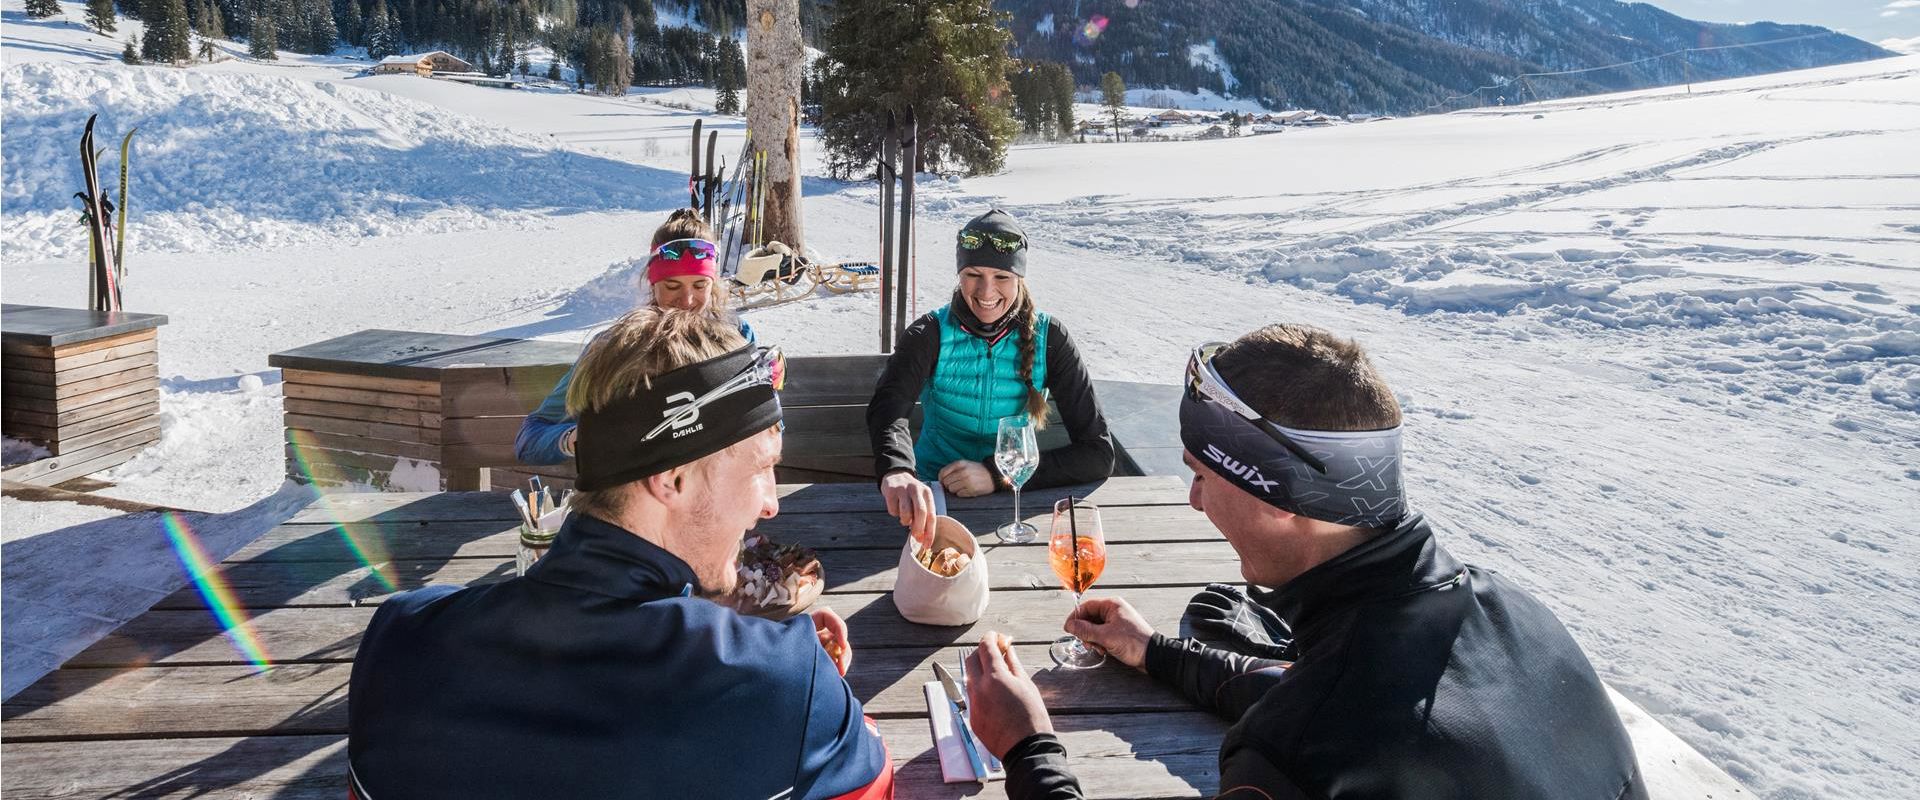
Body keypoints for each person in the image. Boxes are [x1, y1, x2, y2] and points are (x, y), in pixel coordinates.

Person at [963, 324, 1648, 800]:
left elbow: (1326, 717)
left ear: (1283, 494)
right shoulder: (1517, 614)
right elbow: (1336, 693)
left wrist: (1028, 750)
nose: (1195, 502)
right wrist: (1157, 653)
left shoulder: (1304, 752)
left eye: (1203, 475)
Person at [348, 308, 894, 800]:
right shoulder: (786, 680)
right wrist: (805, 691)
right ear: (672, 480)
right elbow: (874, 784)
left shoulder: (401, 641)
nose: (771, 503)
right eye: (760, 467)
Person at [867, 208, 1114, 540]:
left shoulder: (1049, 337)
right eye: (973, 274)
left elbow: (1097, 453)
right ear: (959, 274)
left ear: (1019, 279)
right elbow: (887, 410)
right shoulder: (930, 333)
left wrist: (994, 474)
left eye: (1001, 277)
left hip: (1014, 501)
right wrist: (897, 470)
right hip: (933, 495)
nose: (985, 292)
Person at [515, 209, 755, 465]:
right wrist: (576, 438)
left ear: (713, 284)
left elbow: (768, 424)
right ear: (653, 284)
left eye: (700, 285)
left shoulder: (736, 334)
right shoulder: (619, 346)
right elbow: (530, 439)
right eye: (672, 286)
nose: (686, 301)